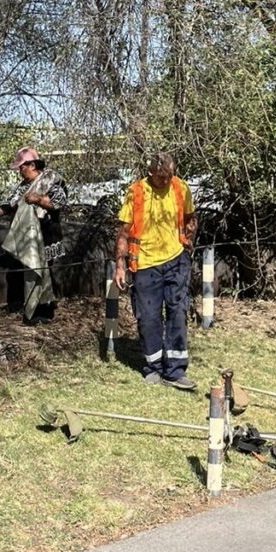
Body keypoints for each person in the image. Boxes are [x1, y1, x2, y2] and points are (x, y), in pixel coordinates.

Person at [114, 152, 198, 391]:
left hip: (176, 261)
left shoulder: (180, 188)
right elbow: (123, 232)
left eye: (170, 176)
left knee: (178, 314)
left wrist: (190, 238)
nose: (166, 181)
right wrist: (120, 265)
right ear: (150, 173)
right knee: (149, 317)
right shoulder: (137, 192)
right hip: (145, 265)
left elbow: (192, 218)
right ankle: (154, 367)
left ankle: (175, 370)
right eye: (161, 177)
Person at [0, 147, 68, 324]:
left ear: (32, 165)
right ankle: (29, 308)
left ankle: (43, 311)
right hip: (27, 236)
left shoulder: (52, 180)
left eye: (22, 167)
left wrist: (40, 200)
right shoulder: (23, 187)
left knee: (43, 271)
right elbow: (9, 204)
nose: (20, 171)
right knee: (27, 270)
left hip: (46, 234)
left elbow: (60, 202)